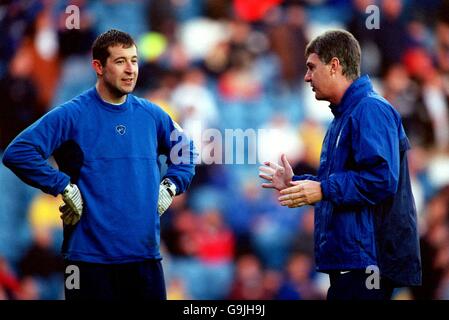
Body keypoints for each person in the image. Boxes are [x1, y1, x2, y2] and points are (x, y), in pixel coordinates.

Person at [2, 29, 197, 300]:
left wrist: (172, 184)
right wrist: (62, 186)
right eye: (120, 61)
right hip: (86, 262)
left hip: (144, 259)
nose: (131, 70)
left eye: (134, 60)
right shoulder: (71, 114)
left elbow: (186, 149)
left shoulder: (152, 115)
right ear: (98, 66)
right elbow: (18, 152)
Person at [259, 29, 421, 300]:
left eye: (312, 67)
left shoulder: (369, 109)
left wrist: (322, 190)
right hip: (355, 262)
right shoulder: (342, 117)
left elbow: (381, 179)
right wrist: (296, 184)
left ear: (334, 66)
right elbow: (344, 182)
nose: (306, 76)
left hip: (369, 263)